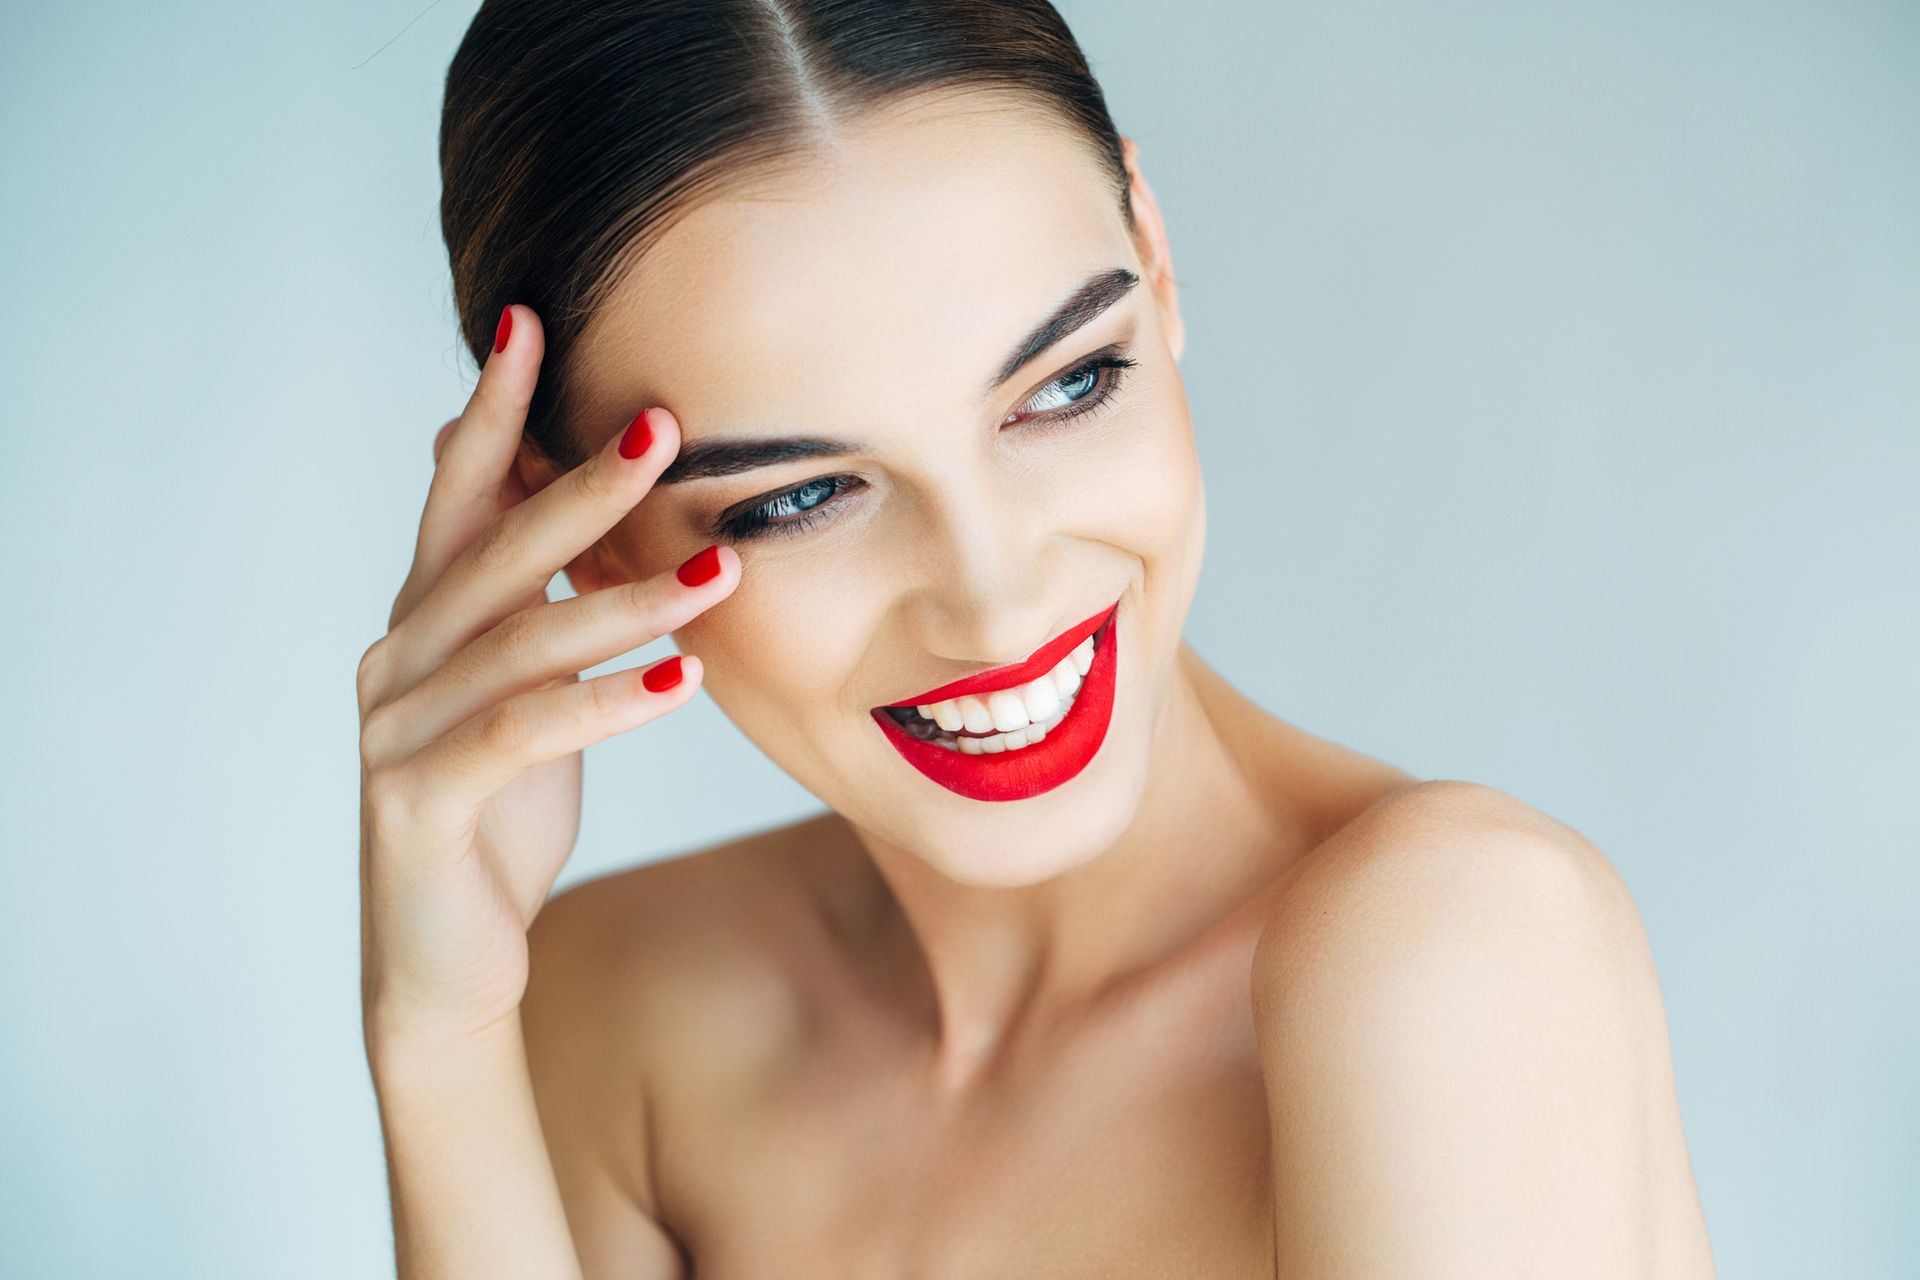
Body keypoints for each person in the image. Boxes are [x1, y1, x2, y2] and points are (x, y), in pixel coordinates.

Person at [354, 1, 1717, 1275]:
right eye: (801, 498)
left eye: (1069, 384)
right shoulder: (621, 1019)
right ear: (582, 535)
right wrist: (438, 1035)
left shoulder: (1449, 953)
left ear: (1156, 261)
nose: (997, 602)